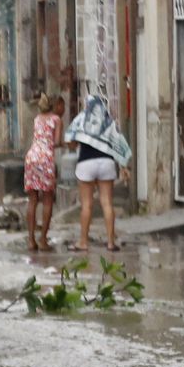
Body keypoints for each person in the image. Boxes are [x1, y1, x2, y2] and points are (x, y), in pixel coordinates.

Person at [63, 91, 132, 252]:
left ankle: (83, 242)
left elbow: (71, 143)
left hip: (86, 164)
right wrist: (123, 165)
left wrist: (80, 142)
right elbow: (118, 144)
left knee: (86, 205)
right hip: (107, 163)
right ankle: (110, 242)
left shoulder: (81, 119)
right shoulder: (109, 122)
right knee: (107, 203)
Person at [23, 92, 65, 251]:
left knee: (32, 200)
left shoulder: (37, 118)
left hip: (31, 157)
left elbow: (39, 137)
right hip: (46, 159)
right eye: (62, 105)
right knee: (47, 199)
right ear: (56, 106)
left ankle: (31, 240)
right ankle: (43, 240)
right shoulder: (56, 119)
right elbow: (56, 142)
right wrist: (65, 143)